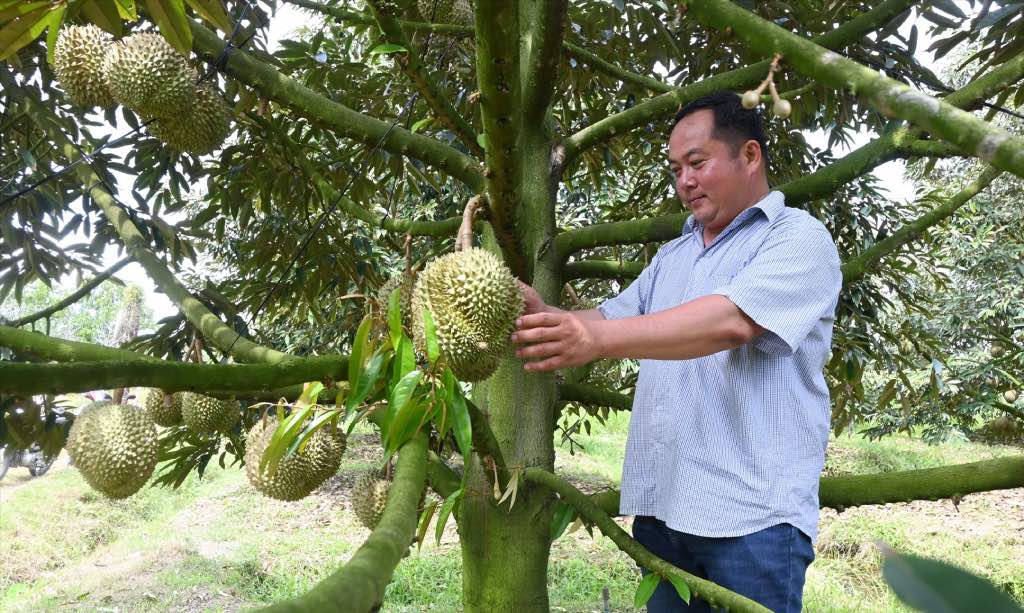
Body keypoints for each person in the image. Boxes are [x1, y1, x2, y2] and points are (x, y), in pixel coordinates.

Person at [511, 91, 842, 612]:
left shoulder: (797, 239)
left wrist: (595, 339)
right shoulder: (675, 254)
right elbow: (614, 318)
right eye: (676, 169)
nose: (684, 182)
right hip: (664, 513)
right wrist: (548, 318)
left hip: (752, 522)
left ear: (749, 156)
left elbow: (732, 321)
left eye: (697, 163)